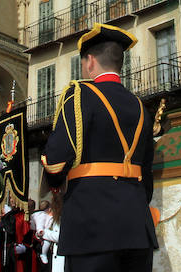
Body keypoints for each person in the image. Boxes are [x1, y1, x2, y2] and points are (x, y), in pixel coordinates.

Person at [41, 23, 157, 272]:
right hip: (137, 223)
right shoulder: (140, 106)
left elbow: (56, 160)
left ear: (90, 61)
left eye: (83, 63)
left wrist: (55, 183)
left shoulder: (79, 94)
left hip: (91, 221)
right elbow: (146, 173)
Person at [37, 191, 65, 272]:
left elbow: (60, 237)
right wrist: (39, 233)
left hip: (61, 257)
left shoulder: (64, 218)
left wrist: (45, 233)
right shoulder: (55, 218)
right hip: (52, 255)